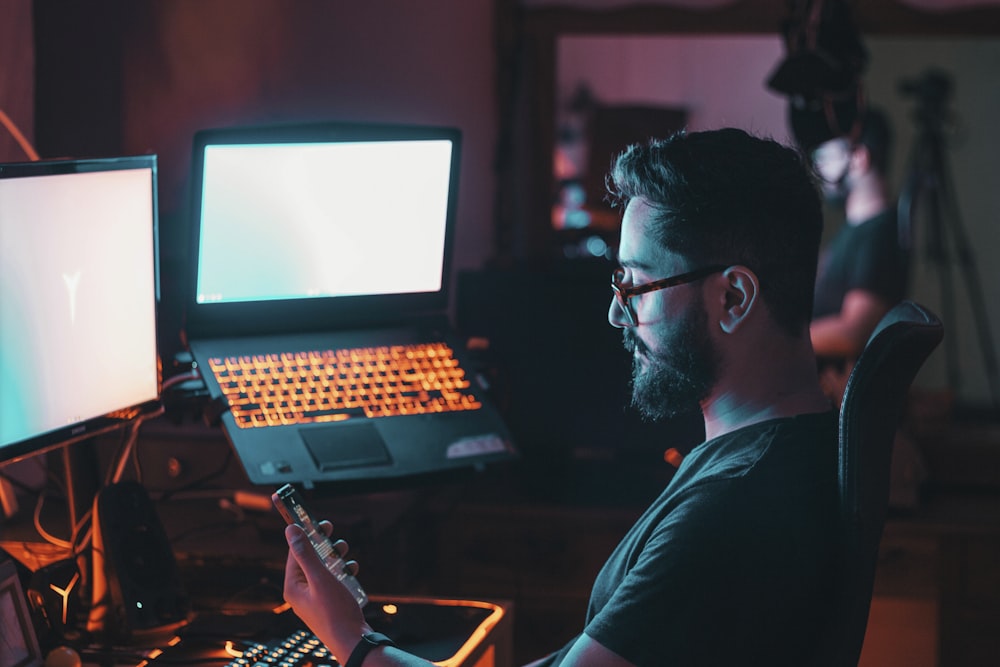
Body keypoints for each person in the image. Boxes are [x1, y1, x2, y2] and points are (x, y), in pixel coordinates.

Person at [283, 128, 842, 666]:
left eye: (636, 284)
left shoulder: (734, 507)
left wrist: (352, 640)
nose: (615, 312)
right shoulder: (787, 450)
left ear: (733, 296)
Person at [809, 107, 908, 403]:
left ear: (860, 158)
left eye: (825, 157)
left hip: (841, 398)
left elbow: (854, 332)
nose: (820, 169)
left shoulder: (879, 235)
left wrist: (783, 340)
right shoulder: (855, 230)